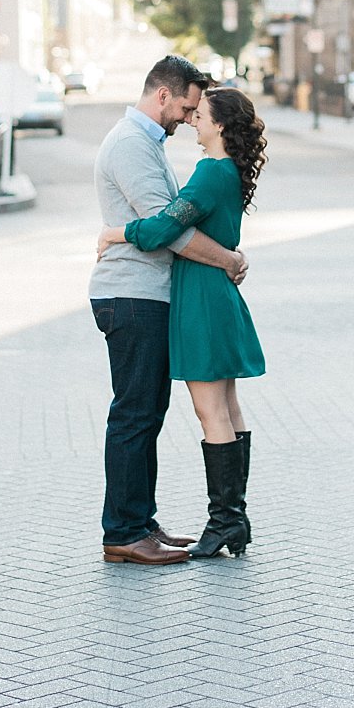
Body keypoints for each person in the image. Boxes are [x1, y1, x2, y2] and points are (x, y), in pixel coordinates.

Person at [91, 56, 249, 567]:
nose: (187, 117)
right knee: (135, 414)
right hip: (132, 295)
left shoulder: (149, 143)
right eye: (185, 106)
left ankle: (141, 520)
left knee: (147, 412)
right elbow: (170, 229)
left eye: (195, 112)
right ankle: (123, 530)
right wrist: (228, 259)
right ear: (163, 95)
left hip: (150, 295)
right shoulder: (132, 144)